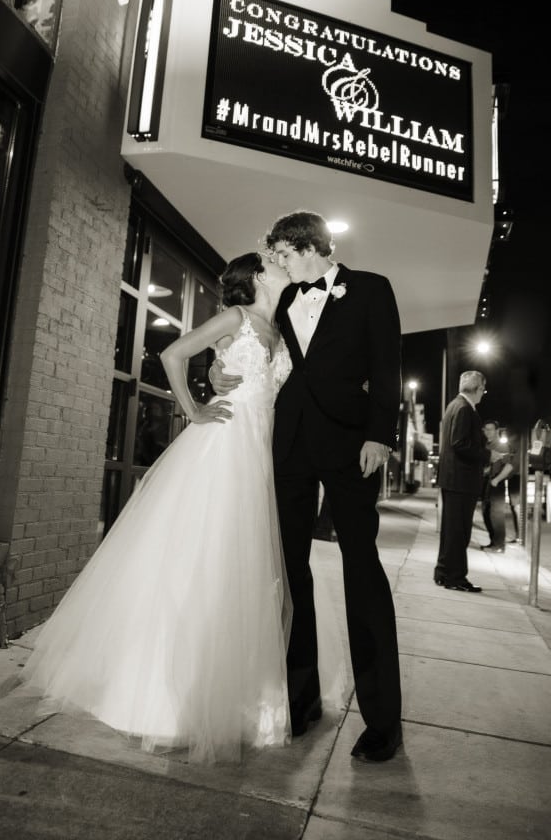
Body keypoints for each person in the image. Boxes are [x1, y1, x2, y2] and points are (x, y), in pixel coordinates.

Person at [20, 252, 295, 764]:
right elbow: (173, 355)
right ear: (257, 275)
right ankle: (160, 702)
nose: (282, 263)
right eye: (274, 260)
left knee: (230, 572)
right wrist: (193, 409)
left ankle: (221, 692)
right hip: (222, 449)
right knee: (195, 562)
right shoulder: (235, 318)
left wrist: (219, 368)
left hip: (257, 455)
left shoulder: (277, 328)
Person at [210, 211, 403, 763]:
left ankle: (383, 721)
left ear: (303, 246)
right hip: (289, 444)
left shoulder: (371, 289)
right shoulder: (283, 299)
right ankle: (300, 699)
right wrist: (216, 373)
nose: (276, 264)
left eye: (281, 254)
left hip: (350, 447)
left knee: (360, 567)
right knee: (289, 570)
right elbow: (242, 344)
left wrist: (380, 437)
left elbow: (388, 366)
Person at [434, 370, 490, 592]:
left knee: (451, 531)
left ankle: (443, 572)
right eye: (483, 390)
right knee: (459, 532)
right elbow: (460, 443)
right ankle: (455, 577)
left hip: (452, 479)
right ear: (477, 389)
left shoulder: (453, 405)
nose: (483, 394)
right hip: (461, 480)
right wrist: (487, 455)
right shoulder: (465, 409)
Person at [480, 419, 516, 552]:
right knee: (486, 514)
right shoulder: (485, 445)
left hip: (496, 484)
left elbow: (509, 465)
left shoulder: (501, 446)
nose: (487, 432)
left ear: (497, 431)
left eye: (490, 429)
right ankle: (493, 543)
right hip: (486, 484)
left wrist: (497, 480)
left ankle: (499, 545)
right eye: (485, 429)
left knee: (496, 515)